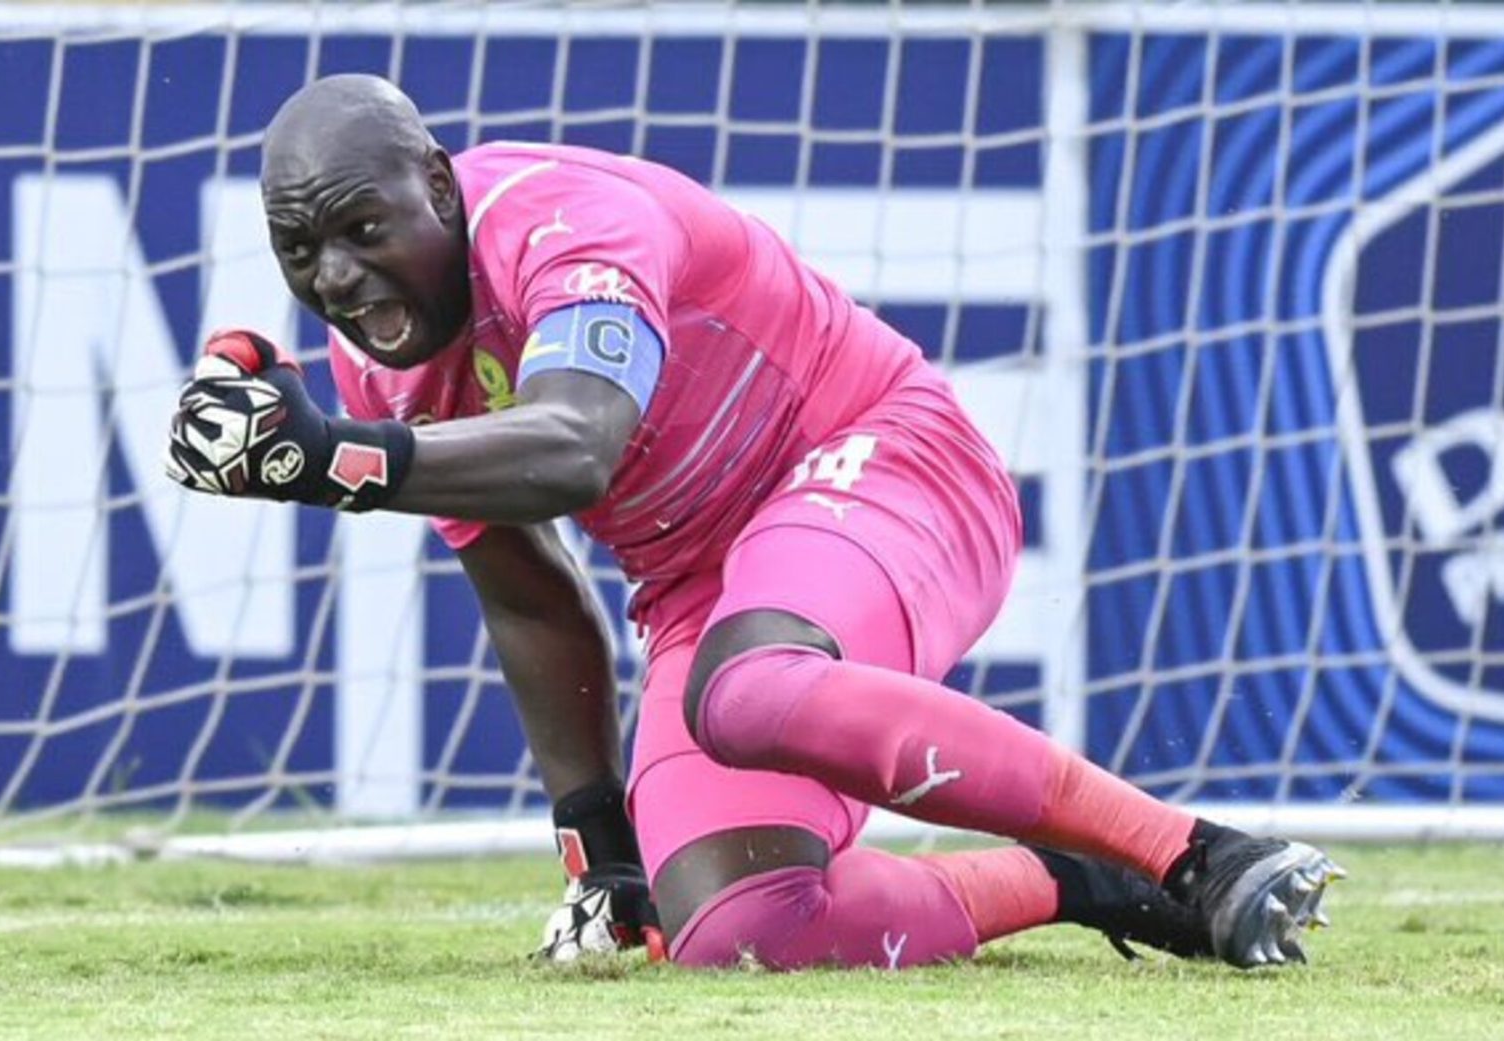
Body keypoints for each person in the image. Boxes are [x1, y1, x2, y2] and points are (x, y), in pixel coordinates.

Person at [164, 74, 1342, 970]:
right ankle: (1080, 880)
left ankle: (1196, 852)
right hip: (708, 594)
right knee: (735, 925)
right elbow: (527, 591)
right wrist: (599, 845)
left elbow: (577, 447)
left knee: (748, 688)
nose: (336, 277)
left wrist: (326, 462)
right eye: (300, 250)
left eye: (360, 231)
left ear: (436, 181)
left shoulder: (567, 225)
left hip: (883, 456)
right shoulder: (378, 369)